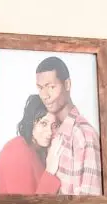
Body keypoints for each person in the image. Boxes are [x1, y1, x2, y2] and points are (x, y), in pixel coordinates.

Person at [36, 55, 102, 196]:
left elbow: (89, 203)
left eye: (51, 87)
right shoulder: (50, 132)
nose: (44, 95)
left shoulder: (83, 134)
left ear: (67, 85)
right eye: (40, 88)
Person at [0, 94, 61, 196]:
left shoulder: (40, 149)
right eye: (43, 123)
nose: (49, 132)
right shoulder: (16, 151)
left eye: (54, 125)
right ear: (30, 122)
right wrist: (50, 171)